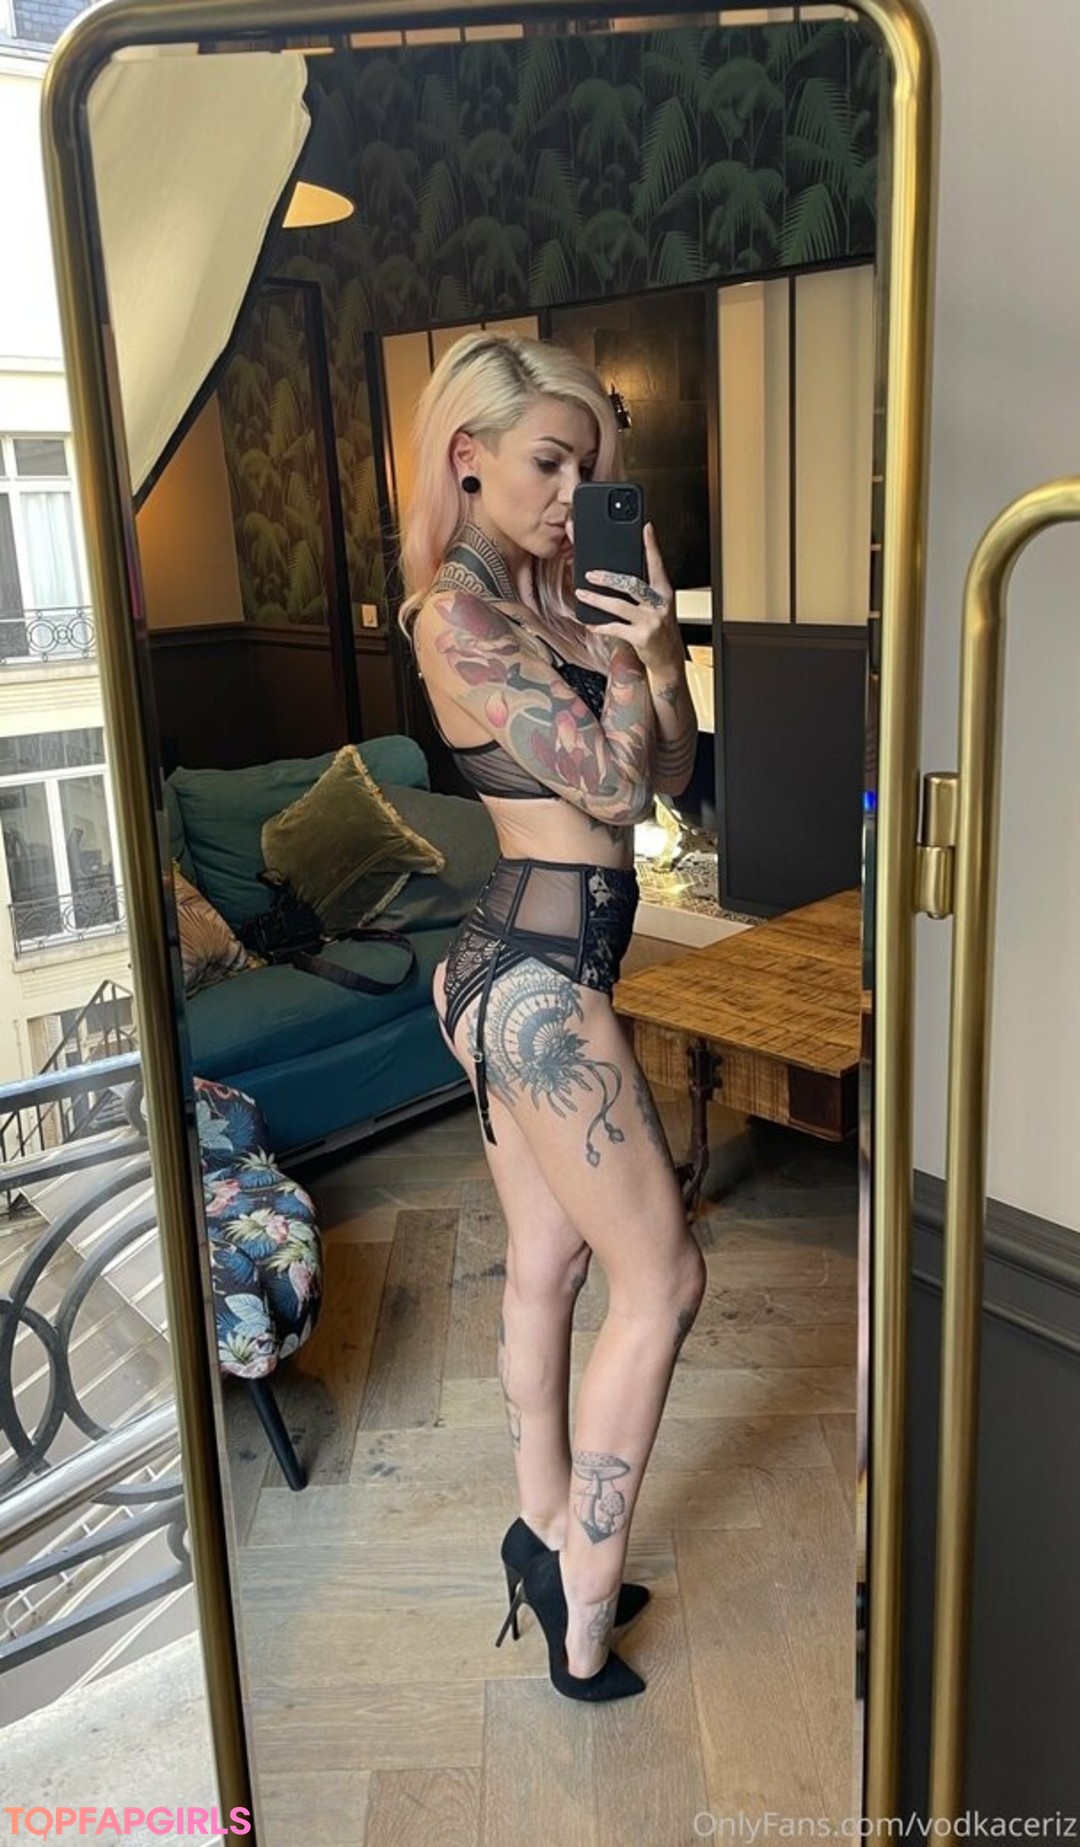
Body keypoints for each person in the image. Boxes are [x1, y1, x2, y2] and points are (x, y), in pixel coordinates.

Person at [398, 330, 707, 1703]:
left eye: (589, 469)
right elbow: (613, 789)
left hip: (529, 960)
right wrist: (631, 676)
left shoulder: (557, 605)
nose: (573, 494)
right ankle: (584, 1611)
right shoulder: (454, 617)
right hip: (534, 975)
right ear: (468, 455)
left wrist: (661, 651)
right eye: (548, 463)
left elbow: (676, 771)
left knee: (552, 1263)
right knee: (666, 1279)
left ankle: (539, 1532)